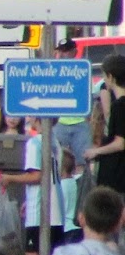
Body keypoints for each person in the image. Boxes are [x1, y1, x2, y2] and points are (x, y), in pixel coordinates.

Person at [8, 122, 74, 255]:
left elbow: (37, 176)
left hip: (40, 209)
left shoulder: (34, 143)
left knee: (32, 253)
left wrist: (10, 179)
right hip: (56, 206)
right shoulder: (55, 142)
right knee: (52, 254)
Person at [84, 55, 125, 197]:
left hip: (116, 175)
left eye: (104, 75)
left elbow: (120, 143)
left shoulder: (119, 106)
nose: (104, 79)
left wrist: (96, 152)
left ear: (111, 77)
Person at [54, 40, 95, 169]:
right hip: (59, 122)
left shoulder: (82, 69)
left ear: (74, 52)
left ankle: (79, 188)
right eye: (60, 50)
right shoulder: (54, 70)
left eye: (65, 50)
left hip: (80, 122)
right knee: (58, 161)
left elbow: (88, 94)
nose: (62, 54)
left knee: (82, 162)